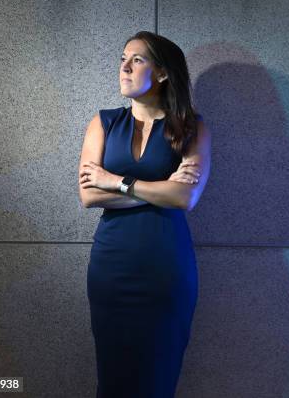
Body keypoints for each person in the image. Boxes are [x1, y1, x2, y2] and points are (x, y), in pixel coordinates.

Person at [77, 31, 211, 397]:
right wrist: (159, 189)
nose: (124, 66)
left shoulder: (191, 127)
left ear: (163, 73)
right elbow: (89, 194)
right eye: (122, 58)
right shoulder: (103, 123)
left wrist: (115, 182)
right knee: (113, 378)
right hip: (111, 268)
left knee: (157, 375)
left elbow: (185, 197)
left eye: (136, 59)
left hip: (165, 269)